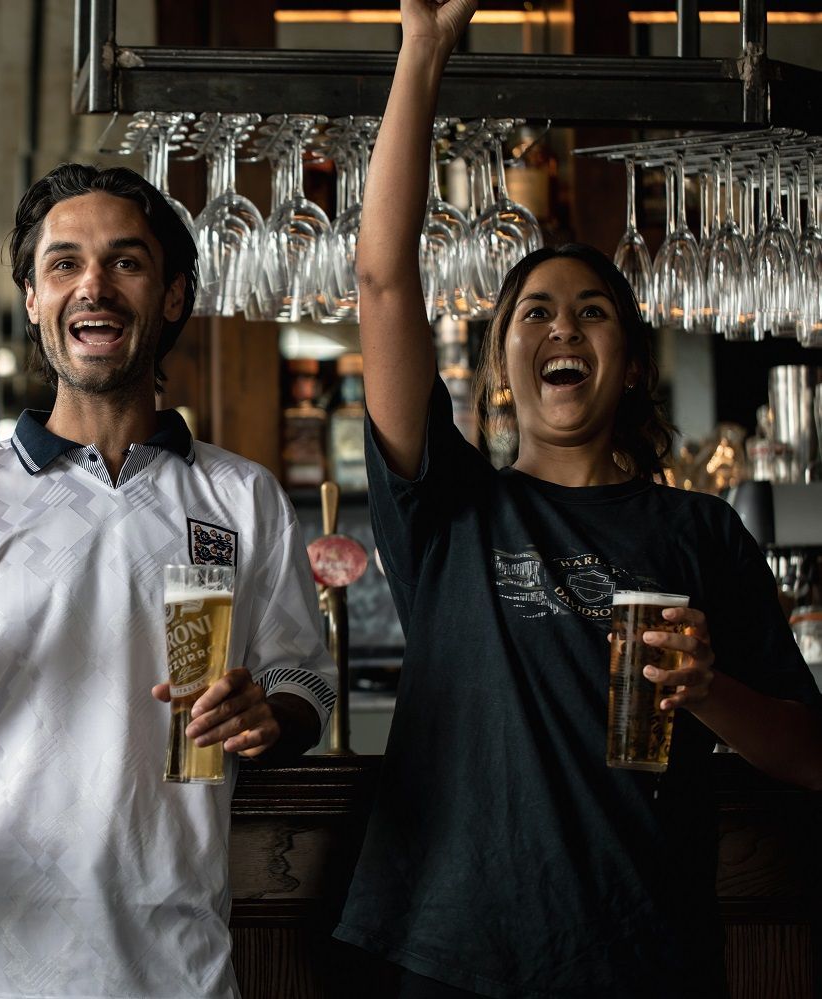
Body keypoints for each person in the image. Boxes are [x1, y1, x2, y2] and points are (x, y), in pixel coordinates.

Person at [333, 3, 822, 997]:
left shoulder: (695, 531)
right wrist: (421, 48)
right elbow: (383, 283)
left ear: (629, 366)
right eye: (535, 312)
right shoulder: (450, 509)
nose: (562, 328)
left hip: (642, 954)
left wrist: (706, 693)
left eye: (591, 313)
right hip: (448, 954)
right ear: (502, 360)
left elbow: (806, 755)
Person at [0, 164, 337, 999]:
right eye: (63, 263)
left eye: (125, 262)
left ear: (172, 296)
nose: (92, 285)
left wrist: (266, 714)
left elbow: (299, 684)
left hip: (172, 965)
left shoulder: (240, 494)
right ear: (31, 298)